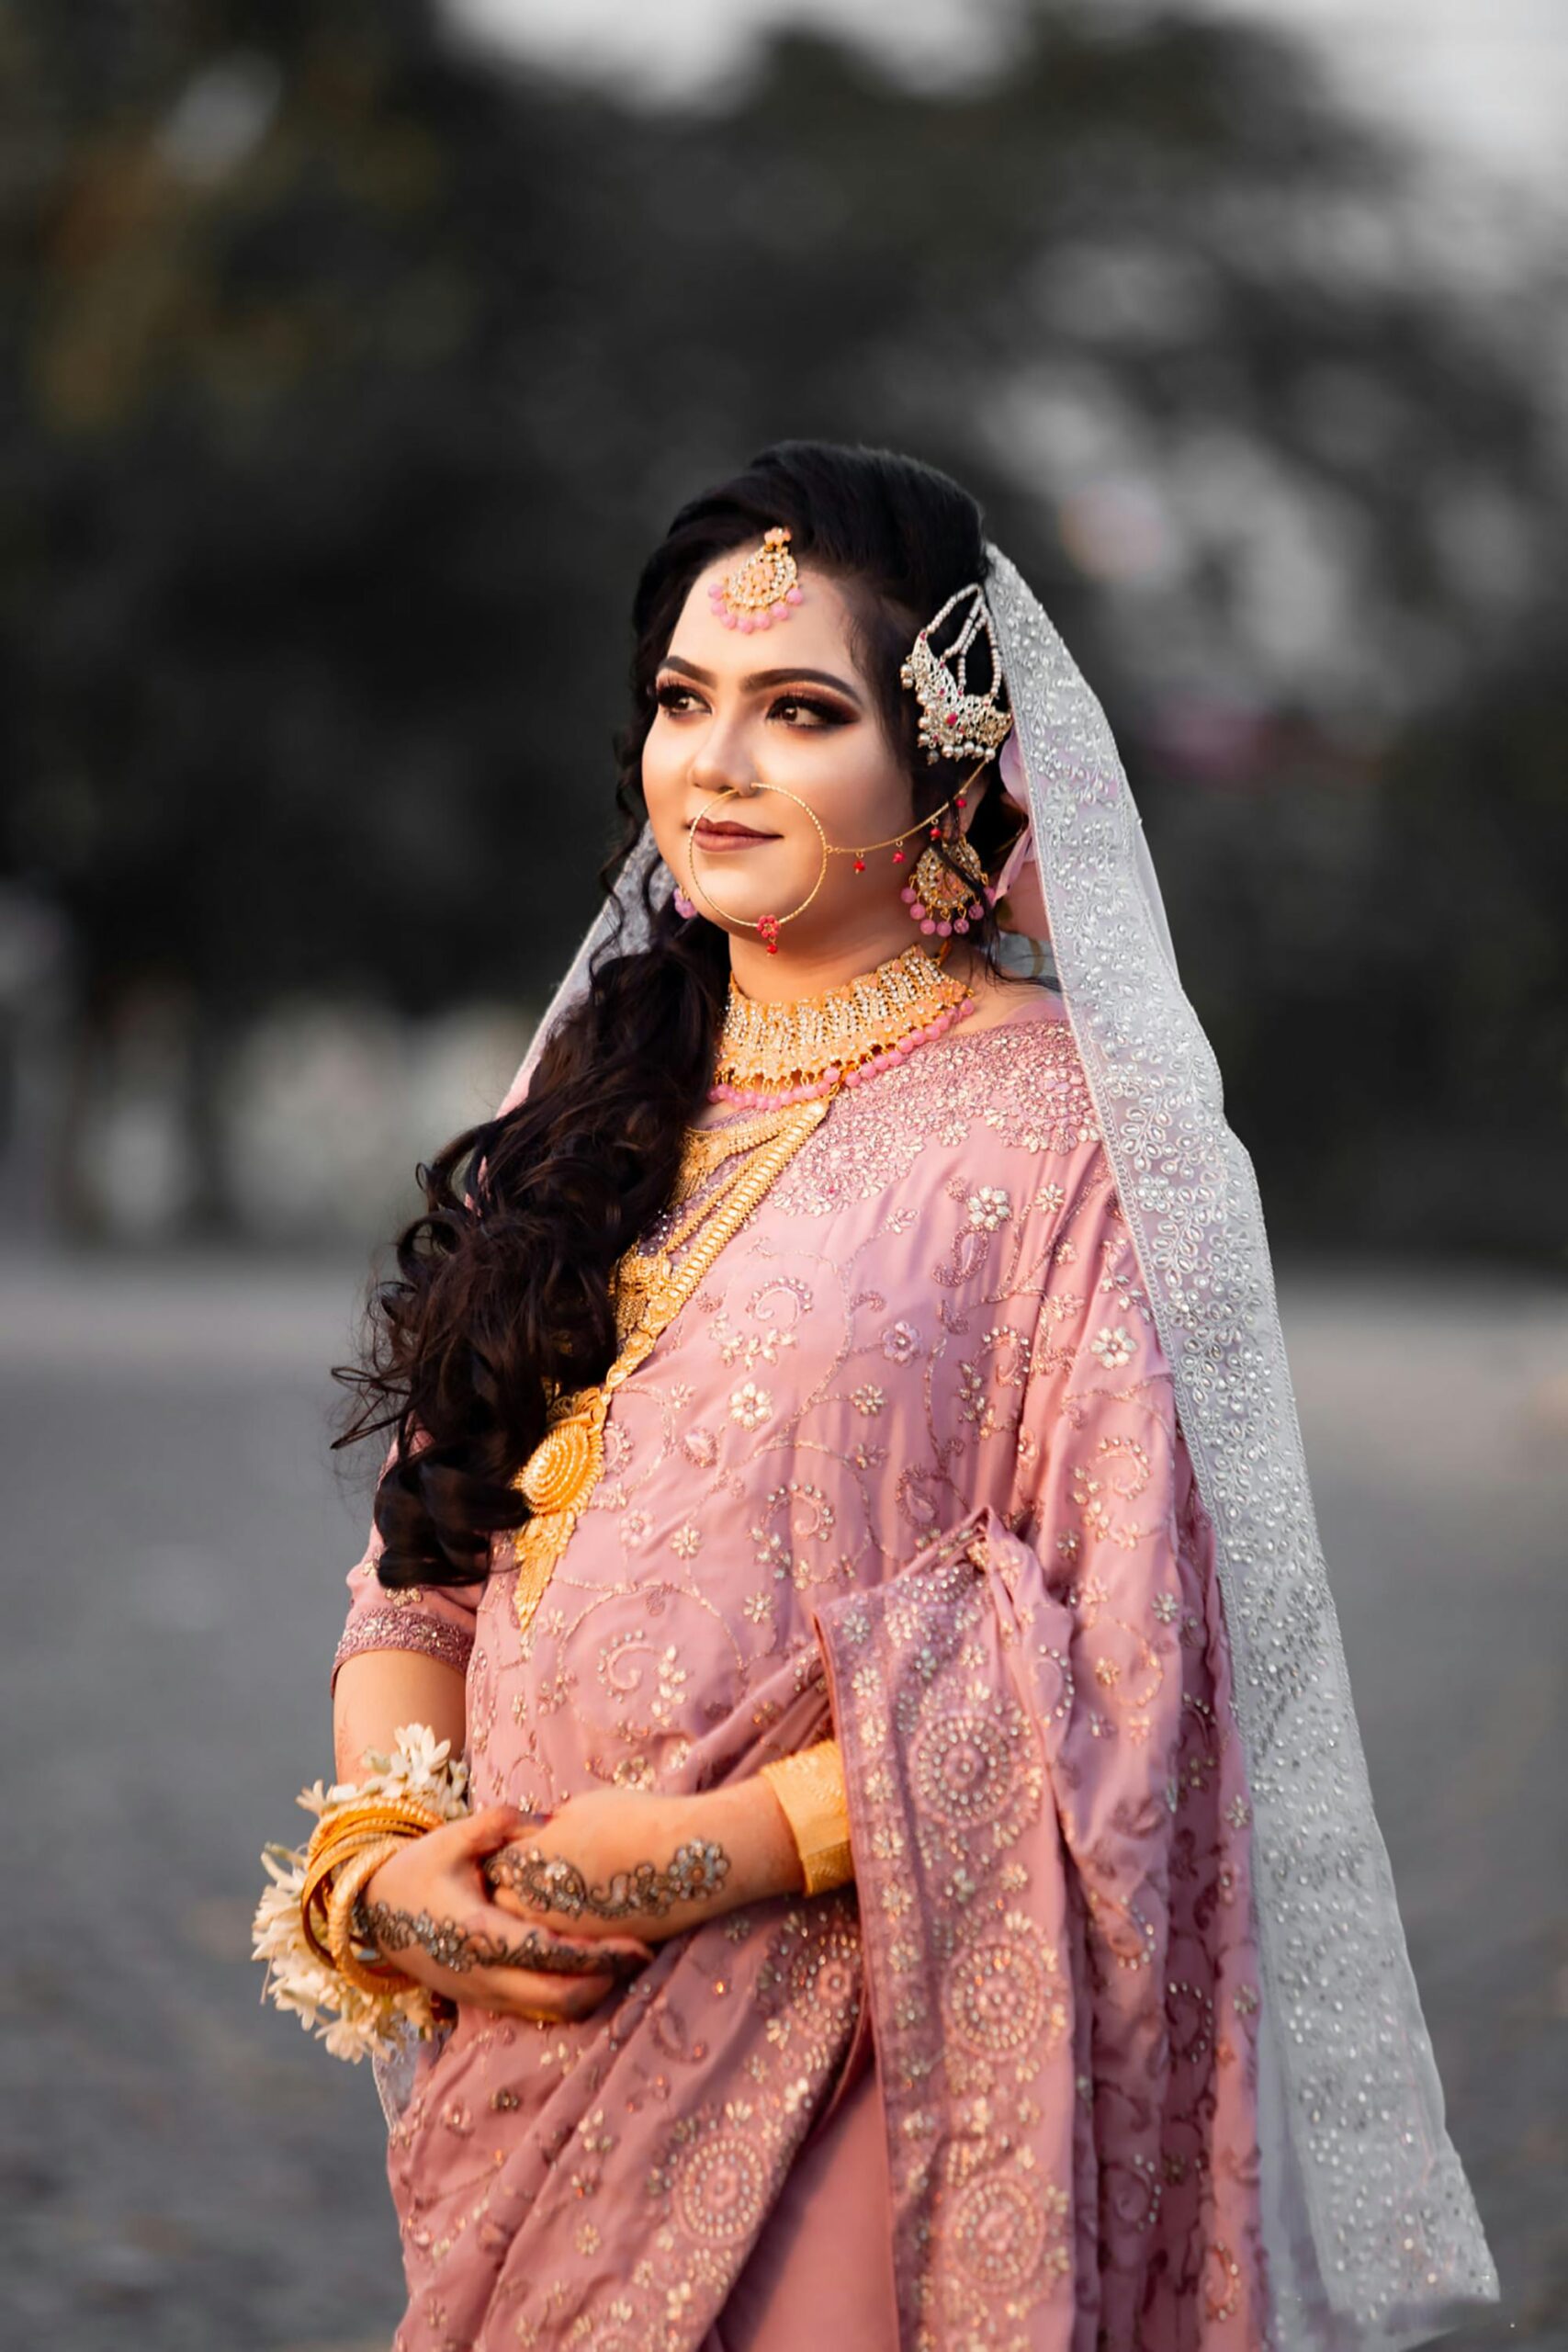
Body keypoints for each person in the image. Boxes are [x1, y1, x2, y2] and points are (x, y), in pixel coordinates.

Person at [264, 442, 1499, 2348]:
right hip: (529, 2036)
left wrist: (694, 1853)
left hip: (863, 2037)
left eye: (798, 710)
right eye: (683, 703)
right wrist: (381, 1856)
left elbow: (1121, 1660)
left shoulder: (1068, 1124)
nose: (718, 763)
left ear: (943, 762)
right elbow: (427, 1554)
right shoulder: (586, 1111)